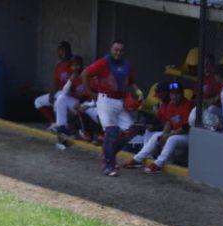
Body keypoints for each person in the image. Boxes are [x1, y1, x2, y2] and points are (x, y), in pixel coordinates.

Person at [83, 40, 141, 177]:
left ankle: (109, 154)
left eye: (121, 50)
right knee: (111, 132)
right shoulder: (103, 62)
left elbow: (132, 83)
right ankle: (108, 165)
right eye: (116, 50)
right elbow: (84, 74)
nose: (118, 52)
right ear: (111, 50)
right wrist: (91, 93)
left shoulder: (127, 65)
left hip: (121, 101)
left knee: (131, 130)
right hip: (105, 100)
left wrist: (138, 92)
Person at [126, 81, 193, 173]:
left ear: (182, 93)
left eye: (177, 93)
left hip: (189, 135)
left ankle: (158, 164)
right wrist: (164, 134)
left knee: (171, 139)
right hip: (176, 132)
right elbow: (169, 123)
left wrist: (167, 136)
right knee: (156, 136)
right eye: (172, 94)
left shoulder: (189, 105)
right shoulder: (171, 104)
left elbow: (186, 127)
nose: (174, 96)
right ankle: (138, 159)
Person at [50, 56, 94, 149]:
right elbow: (65, 92)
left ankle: (89, 133)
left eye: (77, 65)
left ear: (82, 64)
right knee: (61, 98)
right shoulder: (74, 75)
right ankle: (62, 128)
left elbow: (91, 92)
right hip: (80, 103)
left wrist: (80, 99)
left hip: (91, 104)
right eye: (73, 66)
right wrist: (70, 80)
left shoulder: (88, 73)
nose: (76, 68)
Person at [33, 41, 75, 130]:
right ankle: (54, 122)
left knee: (58, 100)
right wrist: (52, 94)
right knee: (38, 101)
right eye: (59, 50)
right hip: (59, 92)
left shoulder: (74, 63)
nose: (61, 52)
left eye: (63, 50)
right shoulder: (59, 65)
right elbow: (55, 82)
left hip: (69, 94)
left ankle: (62, 125)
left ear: (69, 50)